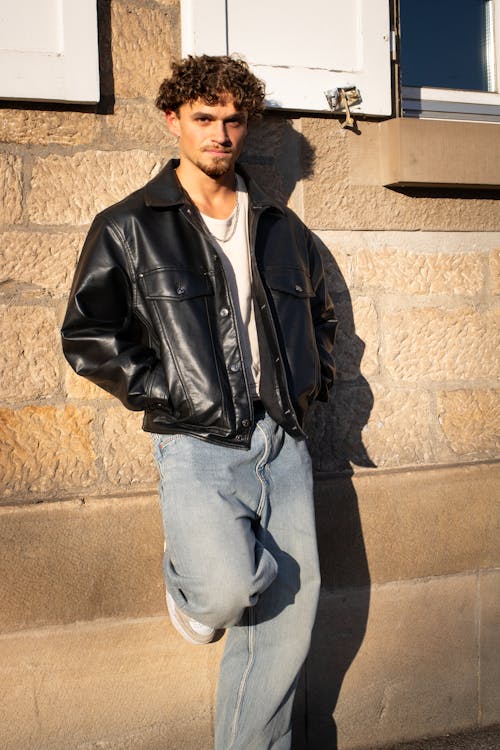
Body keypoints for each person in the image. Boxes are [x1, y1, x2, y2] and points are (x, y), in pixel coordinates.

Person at [61, 54, 336, 750]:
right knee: (225, 594)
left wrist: (314, 384)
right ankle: (190, 572)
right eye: (204, 118)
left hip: (283, 440)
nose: (220, 134)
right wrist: (171, 391)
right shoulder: (129, 225)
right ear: (173, 120)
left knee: (286, 628)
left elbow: (321, 318)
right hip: (196, 441)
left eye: (233, 120)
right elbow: (89, 334)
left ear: (247, 127)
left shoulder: (280, 226)